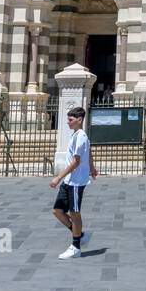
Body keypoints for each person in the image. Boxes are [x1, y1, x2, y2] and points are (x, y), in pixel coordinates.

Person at [50, 107, 98, 260]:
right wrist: (92, 167)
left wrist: (58, 177)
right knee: (57, 211)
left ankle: (76, 246)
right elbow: (88, 151)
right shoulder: (77, 135)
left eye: (70, 120)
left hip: (76, 181)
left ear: (79, 120)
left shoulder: (81, 136)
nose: (67, 122)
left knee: (75, 213)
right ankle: (80, 234)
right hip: (69, 181)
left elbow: (76, 162)